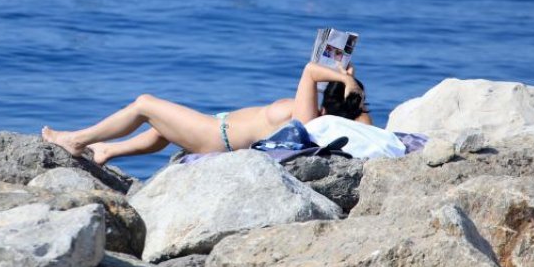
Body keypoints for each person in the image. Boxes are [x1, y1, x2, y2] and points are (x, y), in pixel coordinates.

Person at [42, 61, 372, 165]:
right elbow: (365, 121)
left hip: (216, 137)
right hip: (218, 129)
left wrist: (341, 77)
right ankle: (107, 150)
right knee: (162, 130)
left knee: (145, 105)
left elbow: (309, 71)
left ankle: (76, 139)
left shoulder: (308, 118)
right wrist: (347, 78)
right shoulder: (318, 118)